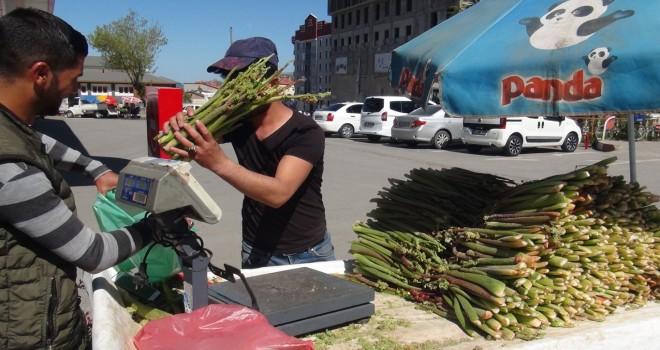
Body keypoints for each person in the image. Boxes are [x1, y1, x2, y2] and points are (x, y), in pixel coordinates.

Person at [0, 8, 158, 349]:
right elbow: (92, 253)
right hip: (29, 337)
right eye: (75, 78)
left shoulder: (11, 128)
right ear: (41, 74)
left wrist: (95, 169)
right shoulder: (10, 172)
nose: (75, 89)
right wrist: (156, 228)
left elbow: (40, 142)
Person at [163, 37, 336, 269]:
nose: (235, 87)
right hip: (255, 249)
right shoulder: (237, 122)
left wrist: (219, 163)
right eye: (230, 78)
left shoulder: (306, 132)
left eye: (243, 77)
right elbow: (186, 147)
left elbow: (279, 193)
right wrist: (181, 126)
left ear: (272, 80)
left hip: (308, 253)